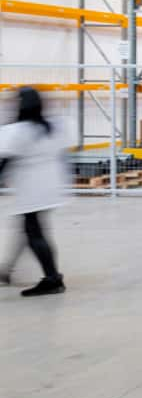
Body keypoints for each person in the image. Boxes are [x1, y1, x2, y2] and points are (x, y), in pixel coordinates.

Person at [0, 87, 70, 297]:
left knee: (34, 231)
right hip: (51, 184)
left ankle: (52, 278)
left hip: (32, 187)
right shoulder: (52, 127)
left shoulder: (20, 130)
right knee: (29, 228)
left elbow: (6, 161)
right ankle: (5, 271)